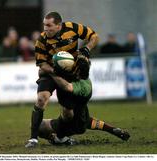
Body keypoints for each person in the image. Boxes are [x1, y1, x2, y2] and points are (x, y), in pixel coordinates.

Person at [25, 11, 99, 147]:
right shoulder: (42, 40)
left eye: (49, 25)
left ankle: (62, 137)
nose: (45, 28)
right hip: (50, 72)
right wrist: (54, 71)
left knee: (68, 113)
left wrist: (87, 49)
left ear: (58, 26)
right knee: (41, 99)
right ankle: (33, 139)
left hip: (69, 73)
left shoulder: (73, 28)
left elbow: (94, 36)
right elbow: (41, 64)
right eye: (44, 25)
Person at [26, 56, 130, 147]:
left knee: (69, 115)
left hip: (72, 125)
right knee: (39, 124)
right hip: (72, 119)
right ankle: (58, 138)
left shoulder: (84, 87)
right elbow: (90, 121)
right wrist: (112, 130)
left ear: (78, 72)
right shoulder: (74, 73)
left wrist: (53, 73)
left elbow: (66, 86)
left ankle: (60, 138)